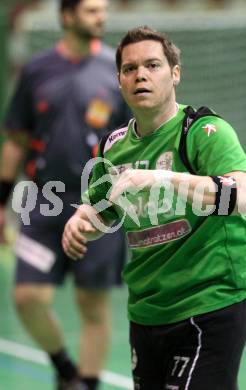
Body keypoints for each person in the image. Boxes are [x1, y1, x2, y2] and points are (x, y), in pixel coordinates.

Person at [62, 26, 246, 390]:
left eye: (152, 65)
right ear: (119, 80)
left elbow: (241, 197)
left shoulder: (202, 131)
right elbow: (102, 210)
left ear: (175, 73)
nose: (141, 76)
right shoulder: (113, 148)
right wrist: (79, 220)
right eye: (130, 69)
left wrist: (160, 179)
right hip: (147, 311)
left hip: (209, 304)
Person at [0, 0, 130, 389]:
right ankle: (65, 370)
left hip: (100, 204)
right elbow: (15, 141)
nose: (101, 17)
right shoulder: (36, 71)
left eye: (103, 10)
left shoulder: (116, 70)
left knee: (92, 305)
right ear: (67, 16)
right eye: (91, 10)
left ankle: (85, 384)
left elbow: (133, 142)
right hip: (43, 203)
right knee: (27, 297)